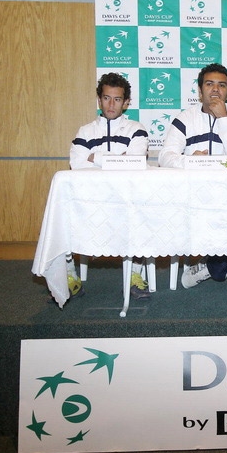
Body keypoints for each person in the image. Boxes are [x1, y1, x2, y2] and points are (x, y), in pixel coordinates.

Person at [159, 63, 227, 289]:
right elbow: (165, 156)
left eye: (222, 86)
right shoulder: (185, 118)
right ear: (200, 91)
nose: (215, 90)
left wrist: (223, 118)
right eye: (209, 84)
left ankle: (211, 266)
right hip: (194, 193)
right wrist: (190, 160)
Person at [68, 72, 151, 299]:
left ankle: (134, 277)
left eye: (117, 99)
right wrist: (117, 159)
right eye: (106, 98)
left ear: (126, 103)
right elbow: (76, 163)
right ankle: (69, 278)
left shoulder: (136, 129)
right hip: (90, 200)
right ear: (99, 100)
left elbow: (134, 161)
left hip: (127, 199)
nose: (111, 104)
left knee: (144, 212)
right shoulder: (85, 131)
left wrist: (94, 157)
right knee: (62, 213)